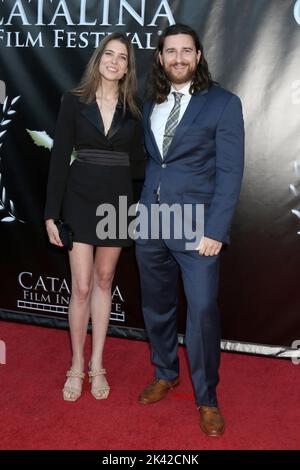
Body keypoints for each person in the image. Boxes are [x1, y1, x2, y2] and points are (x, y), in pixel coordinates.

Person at [135, 24, 244, 436]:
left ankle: (207, 398)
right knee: (156, 306)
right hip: (151, 221)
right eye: (170, 51)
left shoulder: (223, 103)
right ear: (160, 58)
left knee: (200, 311)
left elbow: (231, 172)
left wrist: (216, 229)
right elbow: (155, 163)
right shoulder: (152, 102)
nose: (178, 58)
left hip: (199, 229)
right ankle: (165, 372)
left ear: (198, 56)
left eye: (186, 51)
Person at [45, 33, 144, 402]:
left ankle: (97, 364)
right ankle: (76, 363)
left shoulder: (134, 109)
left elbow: (139, 164)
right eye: (109, 54)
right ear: (98, 58)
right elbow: (58, 160)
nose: (115, 61)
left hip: (117, 202)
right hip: (79, 199)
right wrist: (51, 214)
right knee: (82, 286)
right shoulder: (73, 102)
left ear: (127, 67)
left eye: (122, 57)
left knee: (105, 281)